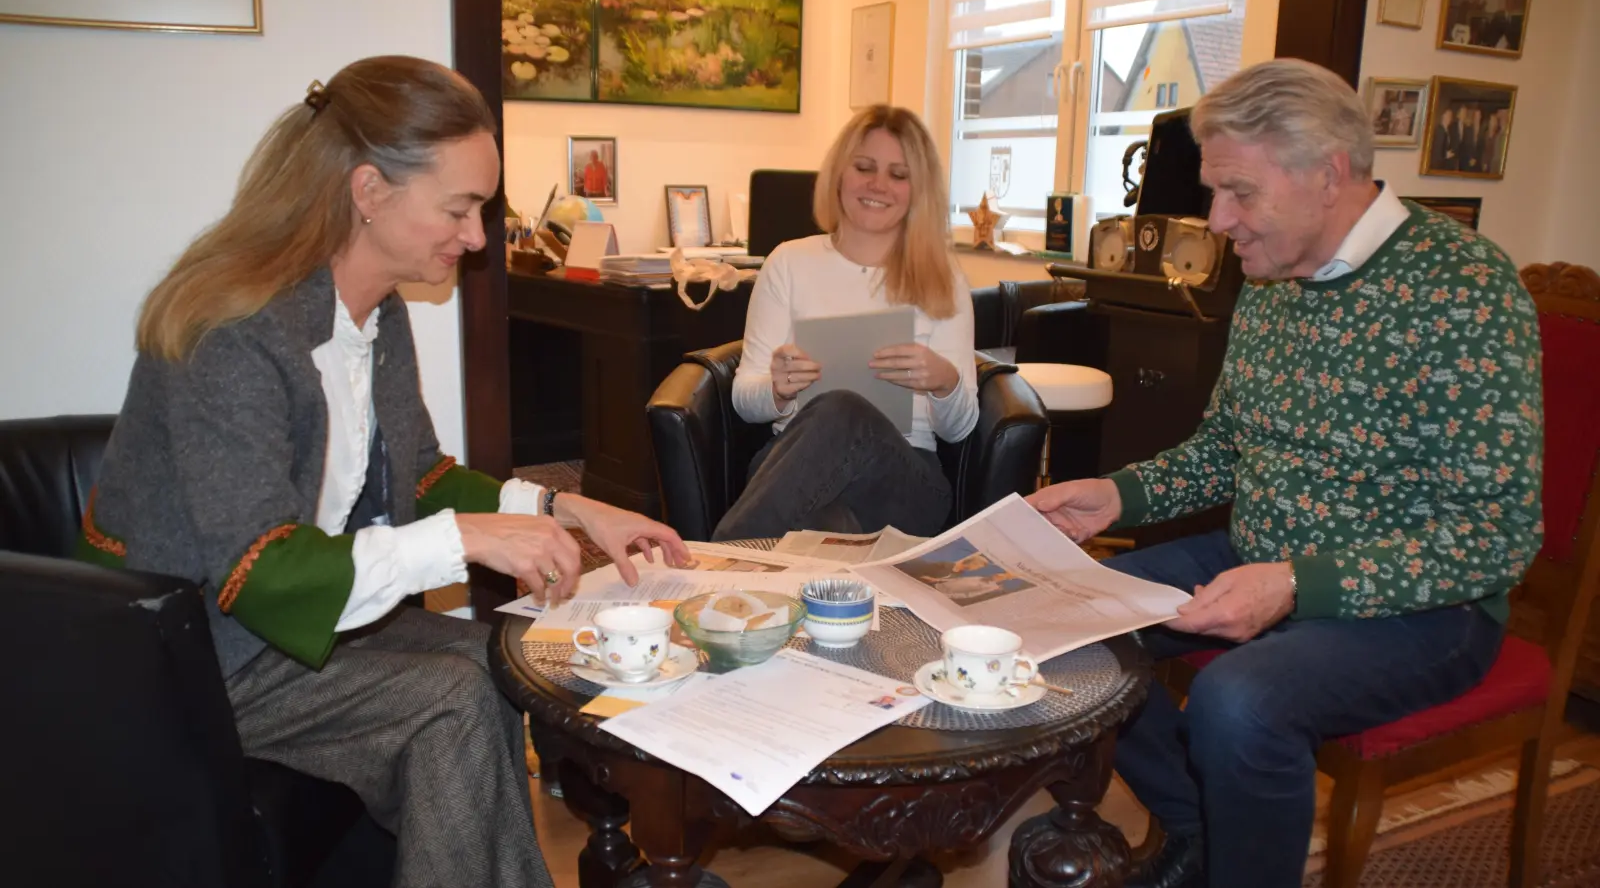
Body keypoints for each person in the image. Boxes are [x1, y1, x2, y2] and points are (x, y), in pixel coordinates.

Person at [78, 56, 689, 887]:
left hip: (291, 624)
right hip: (195, 654)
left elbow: (423, 478)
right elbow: (260, 571)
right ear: (369, 191)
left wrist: (574, 511)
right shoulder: (234, 333)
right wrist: (465, 539)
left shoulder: (376, 312)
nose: (476, 238)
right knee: (449, 703)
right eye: (460, 208)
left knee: (506, 658)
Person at [1028, 59, 1542, 888]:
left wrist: (1299, 585)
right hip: (1260, 554)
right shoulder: (1272, 279)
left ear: (1327, 173)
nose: (1218, 220)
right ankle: (1198, 836)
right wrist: (1118, 493)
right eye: (1213, 191)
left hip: (1423, 608)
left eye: (1238, 192)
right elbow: (1227, 448)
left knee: (1240, 703)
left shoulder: (1466, 289)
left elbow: (1495, 537)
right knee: (1057, 624)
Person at [711, 105, 979, 540]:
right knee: (823, 523)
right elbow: (745, 400)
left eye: (898, 174)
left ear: (918, 190)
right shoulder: (789, 262)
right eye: (864, 167)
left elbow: (960, 428)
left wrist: (944, 381)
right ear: (840, 174)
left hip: (904, 479)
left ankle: (720, 560)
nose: (878, 185)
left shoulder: (942, 277)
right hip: (792, 467)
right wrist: (778, 390)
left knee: (844, 409)